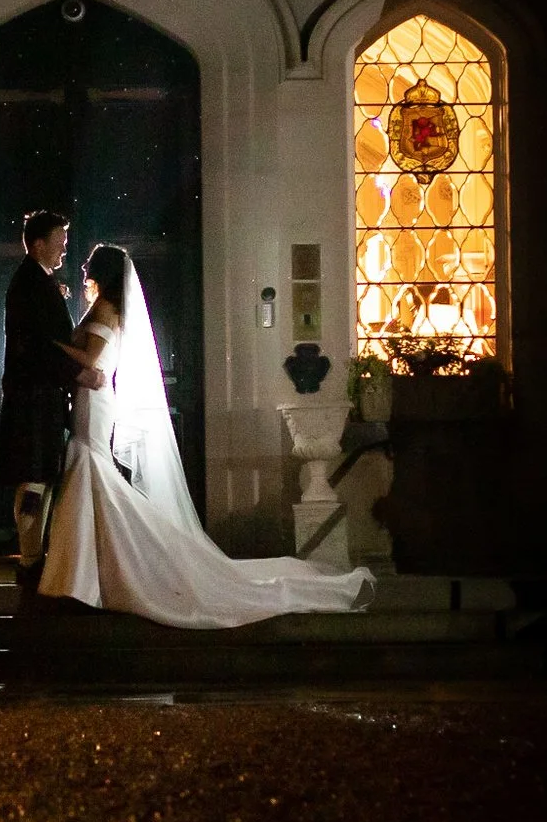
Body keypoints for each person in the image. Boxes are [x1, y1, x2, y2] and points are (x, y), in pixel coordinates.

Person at [40, 243, 375, 626]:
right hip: (92, 398)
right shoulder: (106, 307)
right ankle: (85, 570)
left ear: (101, 270)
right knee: (89, 466)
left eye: (88, 262)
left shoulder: (106, 309)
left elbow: (92, 360)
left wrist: (50, 346)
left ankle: (88, 571)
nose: (82, 265)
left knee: (90, 464)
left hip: (94, 400)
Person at [0, 210, 106, 567]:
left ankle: (34, 555)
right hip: (34, 400)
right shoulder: (31, 284)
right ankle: (30, 558)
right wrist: (79, 372)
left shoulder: (37, 281)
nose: (64, 249)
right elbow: (37, 346)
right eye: (59, 242)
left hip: (40, 399)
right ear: (39, 244)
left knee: (39, 476)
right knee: (33, 478)